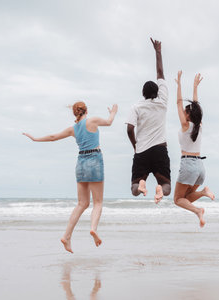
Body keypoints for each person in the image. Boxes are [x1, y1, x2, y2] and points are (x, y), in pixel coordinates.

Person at [23, 101, 118, 252]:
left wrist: (35, 139)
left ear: (75, 113)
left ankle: (66, 236)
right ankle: (93, 228)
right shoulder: (92, 121)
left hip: (81, 162)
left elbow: (53, 137)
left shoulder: (73, 129)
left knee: (82, 203)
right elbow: (109, 122)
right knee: (98, 202)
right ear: (86, 110)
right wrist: (113, 111)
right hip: (94, 160)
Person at [126, 38, 171, 203]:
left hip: (142, 152)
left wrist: (135, 146)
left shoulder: (136, 107)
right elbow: (160, 72)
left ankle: (142, 184)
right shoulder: (163, 101)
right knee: (167, 187)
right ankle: (159, 189)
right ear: (158, 92)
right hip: (160, 149)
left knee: (134, 189)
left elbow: (130, 129)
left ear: (143, 93)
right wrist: (158, 51)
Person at [173, 71, 215, 227]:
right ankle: (203, 192)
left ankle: (198, 211)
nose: (183, 112)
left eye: (185, 111)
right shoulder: (199, 126)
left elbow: (178, 102)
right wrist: (195, 87)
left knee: (177, 200)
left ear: (188, 115)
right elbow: (196, 107)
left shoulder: (185, 126)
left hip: (188, 165)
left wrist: (178, 85)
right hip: (200, 168)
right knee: (187, 197)